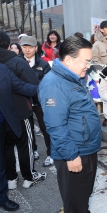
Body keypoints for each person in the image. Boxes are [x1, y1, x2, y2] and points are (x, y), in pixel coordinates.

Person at [38, 36, 102, 213]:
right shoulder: (53, 84)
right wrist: (71, 156)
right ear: (68, 60)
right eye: (86, 61)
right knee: (74, 203)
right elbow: (55, 126)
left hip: (86, 148)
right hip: (74, 153)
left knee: (82, 198)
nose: (88, 66)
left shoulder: (74, 76)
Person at [0, 30, 46, 190]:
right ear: (8, 45)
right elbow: (32, 83)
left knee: (6, 146)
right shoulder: (17, 62)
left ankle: (11, 179)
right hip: (20, 110)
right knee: (25, 144)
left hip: (2, 114)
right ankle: (29, 177)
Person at [0, 64, 37, 211]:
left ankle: (2, 197)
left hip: (2, 123)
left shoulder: (2, 69)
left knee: (1, 164)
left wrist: (45, 88)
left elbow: (20, 86)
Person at [19, 36, 52, 167]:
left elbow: (48, 85)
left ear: (36, 48)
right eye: (24, 47)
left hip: (40, 102)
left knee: (45, 128)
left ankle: (51, 153)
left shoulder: (43, 65)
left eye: (30, 47)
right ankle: (34, 149)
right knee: (28, 128)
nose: (27, 50)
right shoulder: (17, 62)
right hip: (22, 101)